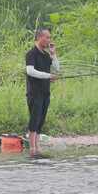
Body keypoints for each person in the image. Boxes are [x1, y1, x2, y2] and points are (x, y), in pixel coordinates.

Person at [25, 28, 59, 157]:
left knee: (41, 120)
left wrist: (53, 54)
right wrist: (48, 76)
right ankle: (32, 148)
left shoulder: (46, 55)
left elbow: (56, 68)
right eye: (47, 37)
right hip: (34, 93)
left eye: (50, 37)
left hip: (45, 93)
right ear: (40, 37)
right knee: (34, 120)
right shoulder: (31, 54)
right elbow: (30, 71)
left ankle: (37, 146)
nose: (49, 40)